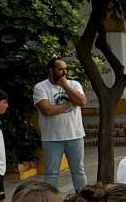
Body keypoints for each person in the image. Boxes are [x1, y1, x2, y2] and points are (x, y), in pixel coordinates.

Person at [32, 57, 88, 189]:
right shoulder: (40, 87)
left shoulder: (74, 84)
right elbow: (47, 110)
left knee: (78, 171)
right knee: (51, 173)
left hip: (75, 135)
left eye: (65, 69)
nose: (64, 72)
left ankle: (83, 201)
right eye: (60, 69)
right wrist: (70, 103)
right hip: (52, 138)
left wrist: (65, 86)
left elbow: (82, 102)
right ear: (51, 70)